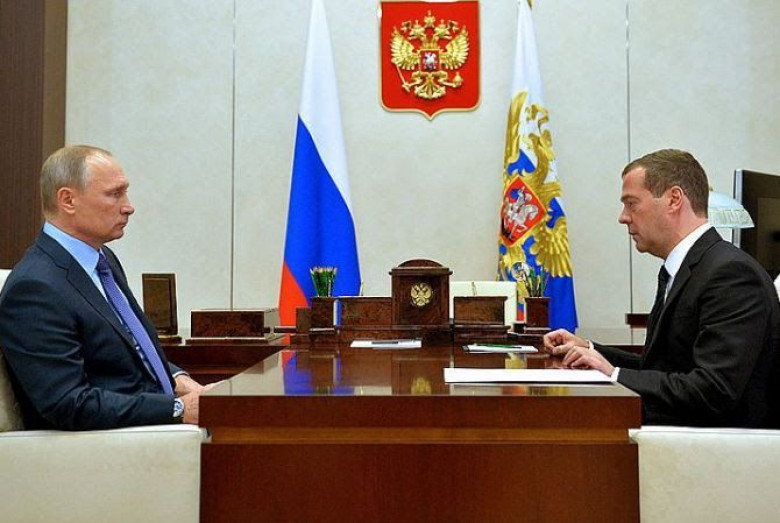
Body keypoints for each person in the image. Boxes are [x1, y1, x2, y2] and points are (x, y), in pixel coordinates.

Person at [543, 149, 779, 427]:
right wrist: (591, 350)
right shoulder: (686, 268)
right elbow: (660, 370)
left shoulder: (731, 275)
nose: (623, 217)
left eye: (632, 204)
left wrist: (613, 374)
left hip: (714, 443)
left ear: (674, 199)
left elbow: (713, 390)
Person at [0, 145, 214, 430]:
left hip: (149, 429)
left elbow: (128, 353)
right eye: (114, 194)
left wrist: (180, 381)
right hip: (106, 445)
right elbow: (68, 403)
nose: (128, 206)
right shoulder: (34, 288)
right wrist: (178, 408)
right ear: (68, 200)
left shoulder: (103, 260)